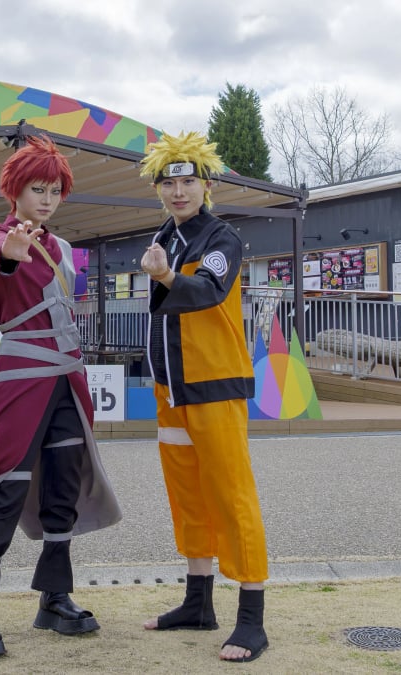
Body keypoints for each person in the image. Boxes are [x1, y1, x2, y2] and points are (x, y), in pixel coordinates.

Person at [0, 134, 122, 659]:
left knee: (62, 492)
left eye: (54, 190)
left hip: (67, 381)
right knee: (3, 490)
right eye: (37, 188)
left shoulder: (60, 247)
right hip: (20, 382)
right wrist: (9, 253)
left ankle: (54, 599)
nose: (46, 198)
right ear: (14, 191)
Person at [138, 131, 269, 663]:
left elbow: (208, 292)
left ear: (206, 184)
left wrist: (167, 275)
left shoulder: (222, 239)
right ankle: (198, 603)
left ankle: (252, 619)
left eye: (188, 181)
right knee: (188, 495)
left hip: (214, 386)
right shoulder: (163, 237)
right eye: (169, 183)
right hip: (171, 388)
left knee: (232, 495)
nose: (178, 191)